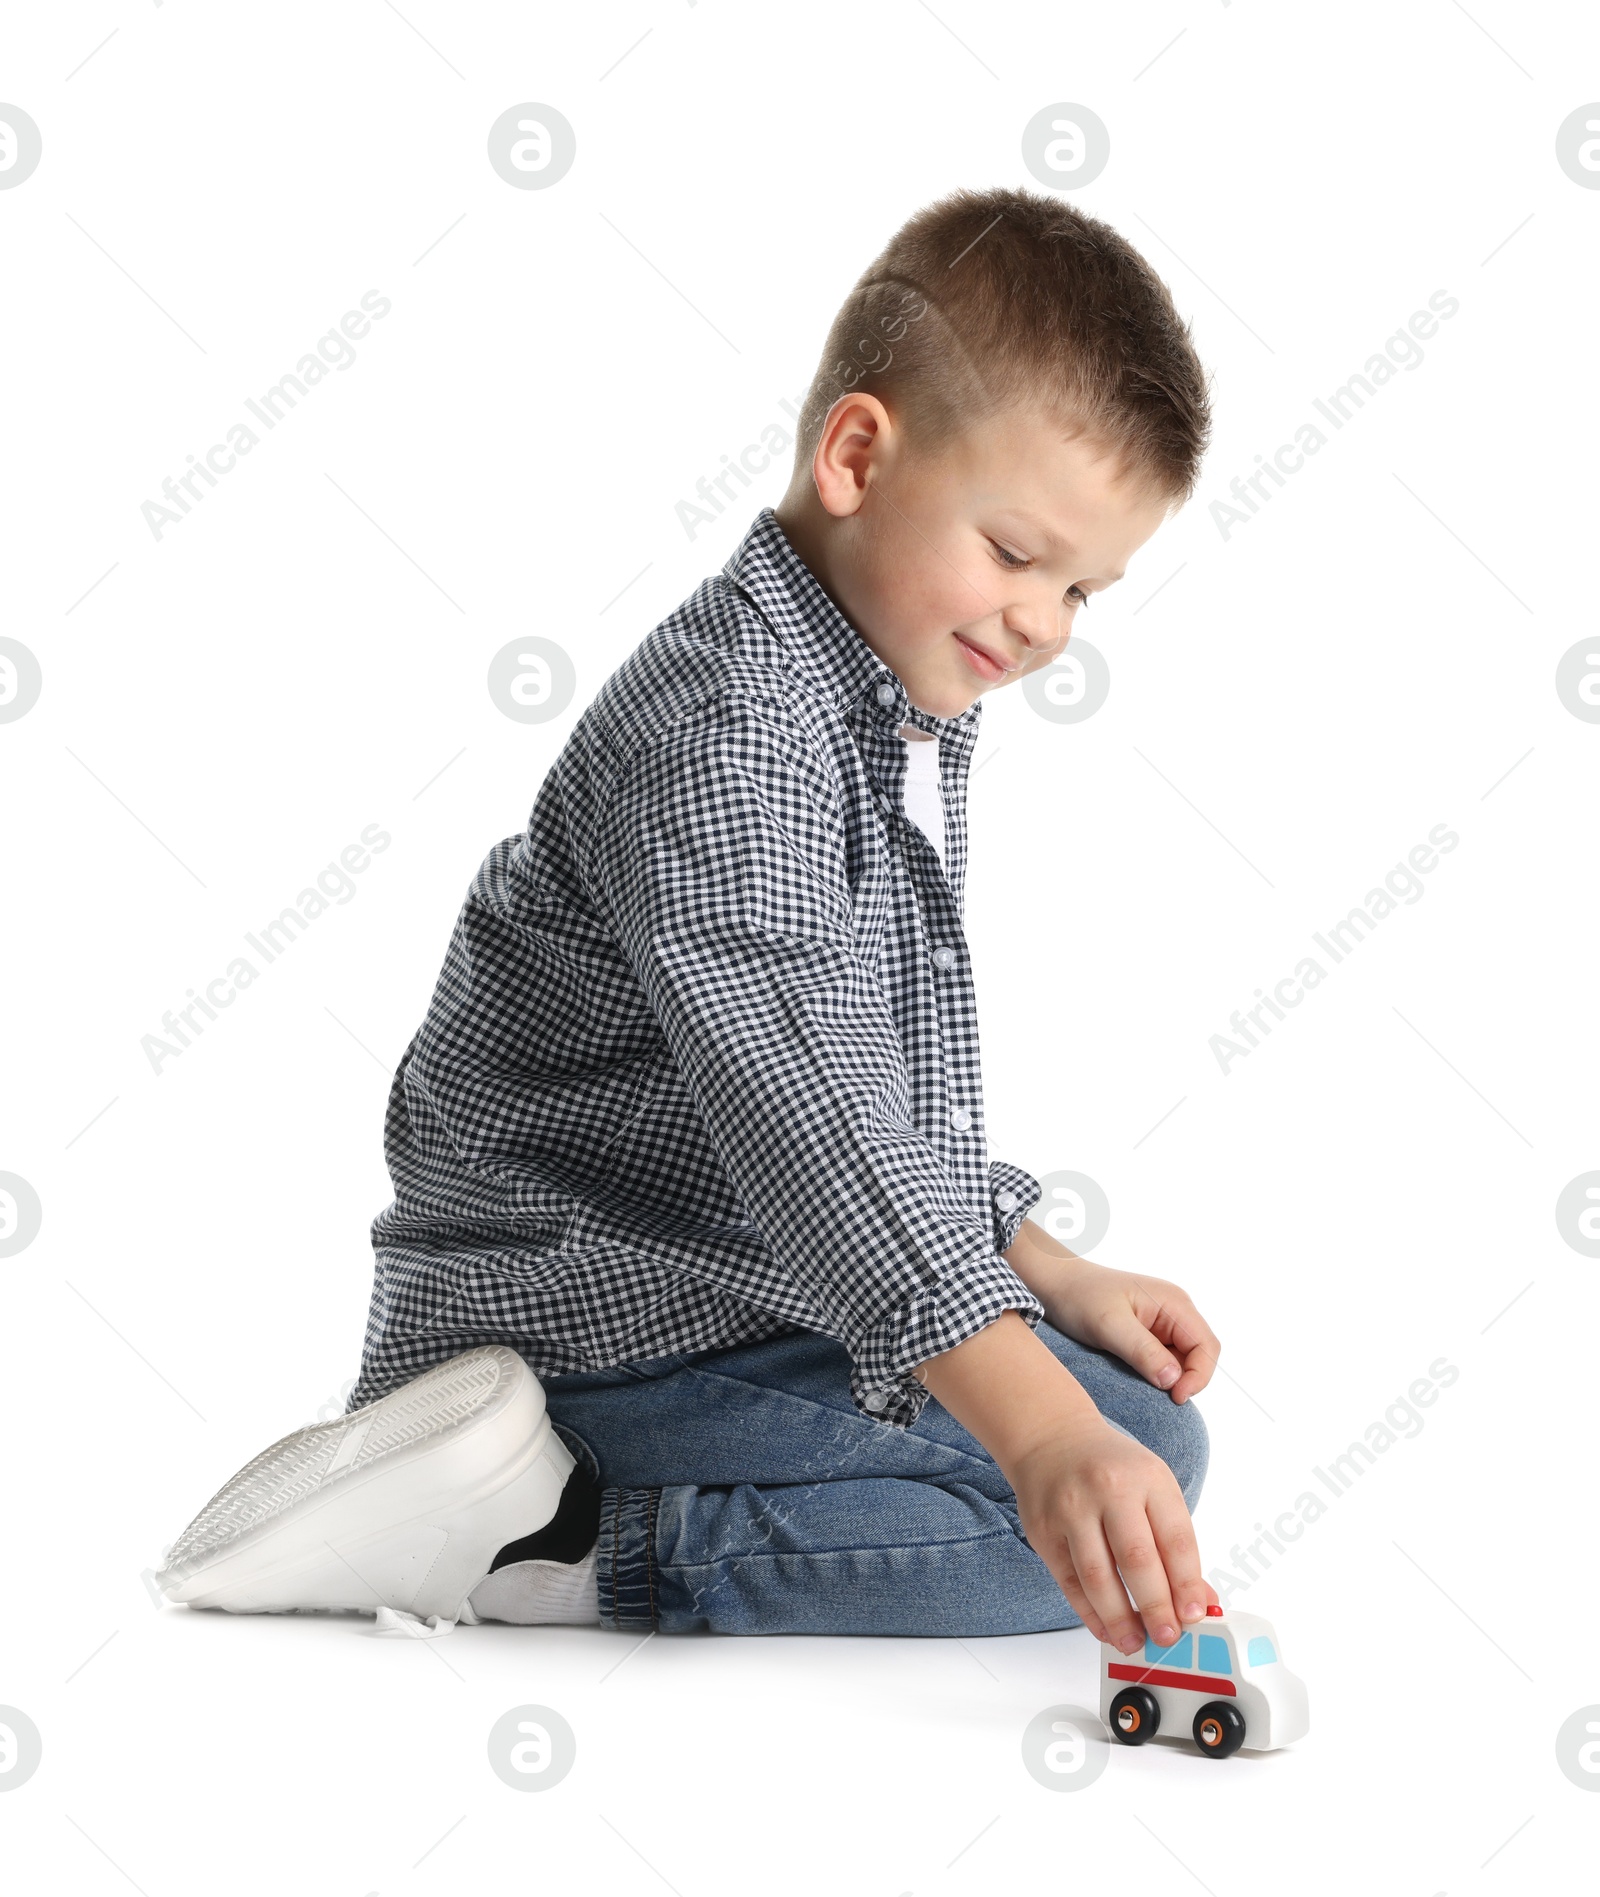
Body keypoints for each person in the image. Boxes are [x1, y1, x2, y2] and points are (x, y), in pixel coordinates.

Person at [157, 183, 1223, 1650]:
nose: (1043, 622)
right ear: (858, 454)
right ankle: (557, 1539)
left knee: (1143, 1450)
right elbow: (809, 1114)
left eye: (1085, 591)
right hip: (588, 1315)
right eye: (1017, 552)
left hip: (712, 1276)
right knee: (1081, 1505)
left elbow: (866, 1078)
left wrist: (1043, 1264)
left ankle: (555, 1495)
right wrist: (1037, 1431)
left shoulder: (870, 701)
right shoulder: (731, 731)